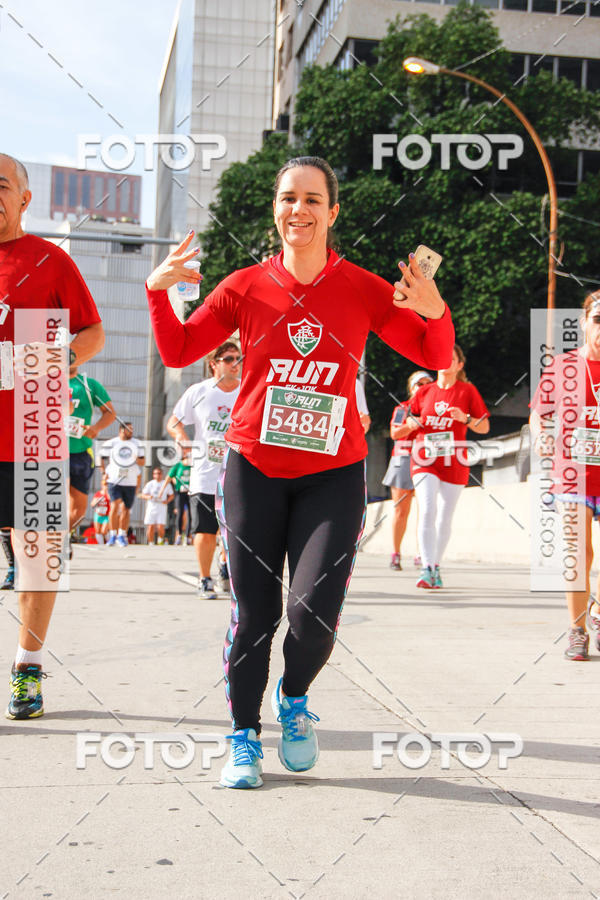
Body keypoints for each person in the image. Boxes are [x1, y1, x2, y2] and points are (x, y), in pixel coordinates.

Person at [145, 155, 454, 789]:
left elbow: (434, 352)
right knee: (254, 615)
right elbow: (178, 349)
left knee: (313, 613)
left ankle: (293, 697)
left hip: (333, 475)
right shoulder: (243, 286)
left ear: (332, 212)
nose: (299, 210)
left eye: (313, 199)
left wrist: (435, 308)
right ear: (276, 209)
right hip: (253, 468)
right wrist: (157, 290)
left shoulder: (362, 288)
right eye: (289, 197)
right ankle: (242, 738)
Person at [0, 154, 104, 719]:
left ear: (24, 198)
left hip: (34, 428)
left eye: (1, 186)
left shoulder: (48, 259)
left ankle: (27, 669)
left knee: (39, 560)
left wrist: (53, 360)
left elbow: (93, 332)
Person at [530, 290, 600, 661]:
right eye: (599, 320)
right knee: (577, 553)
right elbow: (538, 413)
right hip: (573, 473)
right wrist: (540, 435)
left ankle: (597, 611)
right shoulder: (563, 366)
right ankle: (577, 630)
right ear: (585, 322)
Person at [405, 344, 489, 590]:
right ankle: (426, 568)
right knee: (427, 509)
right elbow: (409, 416)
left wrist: (467, 419)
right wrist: (412, 422)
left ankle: (435, 565)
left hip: (454, 462)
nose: (445, 362)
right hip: (424, 459)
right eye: (441, 357)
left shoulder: (467, 391)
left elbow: (484, 426)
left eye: (451, 359)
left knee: (444, 517)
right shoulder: (424, 392)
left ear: (459, 365)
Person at [166, 342, 241, 598]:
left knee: (235, 531)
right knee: (205, 530)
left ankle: (225, 565)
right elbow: (174, 422)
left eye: (238, 358)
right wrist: (181, 437)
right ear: (214, 363)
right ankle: (205, 578)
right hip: (205, 474)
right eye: (229, 358)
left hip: (241, 474)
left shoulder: (247, 390)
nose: (235, 363)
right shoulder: (199, 391)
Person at [382, 370, 433, 570]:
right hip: (403, 459)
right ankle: (395, 554)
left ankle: (422, 554)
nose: (424, 387)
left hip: (427, 460)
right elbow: (395, 433)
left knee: (426, 510)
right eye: (419, 383)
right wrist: (411, 425)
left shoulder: (436, 408)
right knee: (401, 511)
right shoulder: (403, 408)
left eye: (428, 383)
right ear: (411, 389)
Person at [67, 365, 115, 552]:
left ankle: (61, 537)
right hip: (51, 453)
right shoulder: (46, 382)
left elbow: (110, 412)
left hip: (81, 452)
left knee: (79, 511)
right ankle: (51, 542)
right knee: (54, 501)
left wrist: (96, 428)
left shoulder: (89, 385)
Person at [99, 422, 145, 547]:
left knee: (126, 509)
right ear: (121, 430)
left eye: (132, 429)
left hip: (130, 481)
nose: (131, 432)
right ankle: (112, 535)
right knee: (114, 505)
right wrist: (103, 472)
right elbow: (100, 457)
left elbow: (143, 461)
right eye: (129, 429)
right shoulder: (111, 443)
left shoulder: (137, 444)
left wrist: (136, 459)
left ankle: (122, 535)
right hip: (114, 480)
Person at [159, 452, 192, 545]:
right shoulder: (178, 466)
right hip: (180, 493)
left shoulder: (192, 466)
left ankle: (188, 536)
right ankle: (179, 535)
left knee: (190, 514)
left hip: (190, 493)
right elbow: (169, 477)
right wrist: (162, 490)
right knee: (180, 513)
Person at [139, 466, 174, 544]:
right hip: (152, 505)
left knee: (160, 526)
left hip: (161, 505)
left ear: (162, 474)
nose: (157, 475)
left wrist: (167, 501)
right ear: (153, 475)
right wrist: (148, 497)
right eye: (155, 473)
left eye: (159, 473)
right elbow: (142, 494)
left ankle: (160, 540)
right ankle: (151, 542)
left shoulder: (166, 484)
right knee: (150, 525)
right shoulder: (150, 484)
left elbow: (171, 495)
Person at [91, 473, 111, 544]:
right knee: (98, 531)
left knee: (104, 531)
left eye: (106, 485)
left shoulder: (109, 494)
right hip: (98, 515)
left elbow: (111, 501)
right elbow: (92, 504)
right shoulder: (98, 494)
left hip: (106, 515)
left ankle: (110, 541)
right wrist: (96, 501)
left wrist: (107, 493)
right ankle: (101, 544)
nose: (105, 486)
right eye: (104, 485)